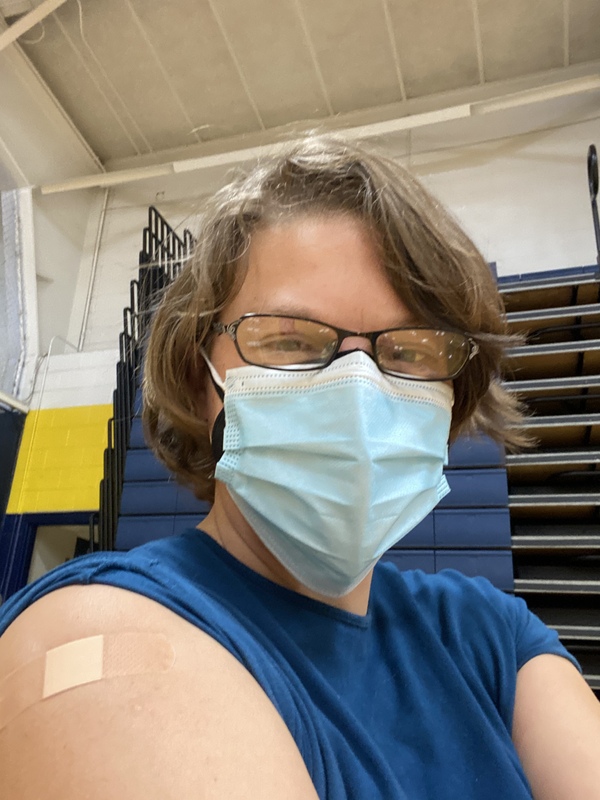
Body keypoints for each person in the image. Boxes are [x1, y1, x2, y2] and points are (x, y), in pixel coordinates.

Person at [1, 135, 599, 799]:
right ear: (205, 383)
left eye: (409, 351)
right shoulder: (102, 629)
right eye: (288, 339)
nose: (359, 388)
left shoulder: (492, 636)